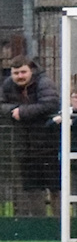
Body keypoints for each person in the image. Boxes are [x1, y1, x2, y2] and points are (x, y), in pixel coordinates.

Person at [1, 57, 61, 217]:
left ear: (31, 70)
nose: (20, 76)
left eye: (23, 72)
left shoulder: (44, 82)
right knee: (32, 187)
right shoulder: (8, 85)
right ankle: (39, 223)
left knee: (56, 187)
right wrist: (14, 109)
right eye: (16, 73)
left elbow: (51, 104)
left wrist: (23, 112)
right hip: (23, 145)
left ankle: (59, 224)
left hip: (49, 145)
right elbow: (2, 105)